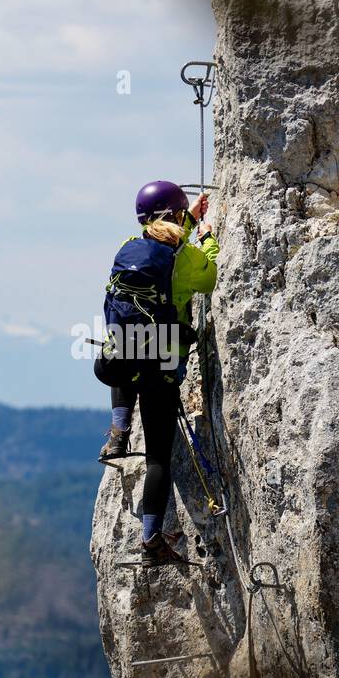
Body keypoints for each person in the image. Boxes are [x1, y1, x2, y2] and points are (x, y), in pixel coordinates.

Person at [96, 181, 219, 566]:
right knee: (157, 459)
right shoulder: (183, 260)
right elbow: (210, 275)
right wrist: (206, 236)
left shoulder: (127, 248)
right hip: (161, 367)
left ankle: (118, 433)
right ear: (177, 216)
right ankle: (150, 541)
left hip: (120, 360)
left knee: (126, 348)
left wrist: (186, 218)